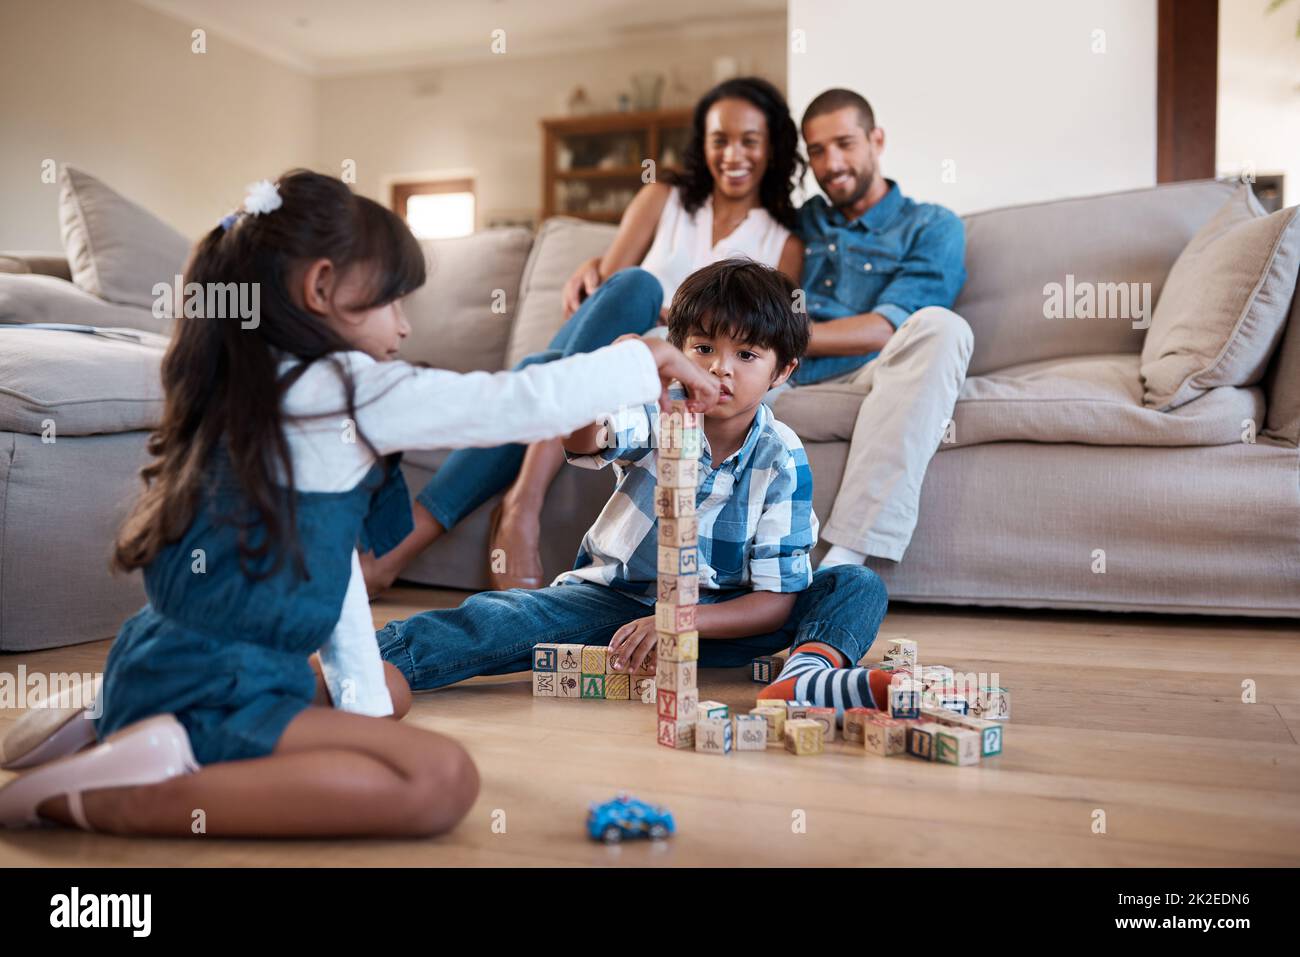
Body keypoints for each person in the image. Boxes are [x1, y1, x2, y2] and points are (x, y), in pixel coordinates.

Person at [0, 170, 718, 836]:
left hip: (163, 661)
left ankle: (113, 726)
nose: (405, 326)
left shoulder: (252, 387)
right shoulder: (344, 387)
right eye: (393, 301)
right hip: (224, 685)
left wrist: (365, 707)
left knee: (385, 695)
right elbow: (510, 404)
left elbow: (333, 572)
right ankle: (115, 797)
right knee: (441, 779)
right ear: (321, 288)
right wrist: (642, 361)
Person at [376, 259, 892, 719]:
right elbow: (584, 438)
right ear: (679, 352)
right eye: (705, 348)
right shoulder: (657, 409)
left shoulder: (782, 456)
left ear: (783, 370)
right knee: (502, 619)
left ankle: (805, 676)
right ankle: (368, 660)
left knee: (854, 584)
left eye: (747, 355)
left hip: (723, 625)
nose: (720, 368)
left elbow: (776, 603)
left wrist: (680, 619)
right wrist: (610, 375)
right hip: (615, 605)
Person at [362, 76, 806, 594]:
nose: (733, 153)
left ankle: (500, 511)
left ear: (772, 147)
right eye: (719, 139)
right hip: (620, 350)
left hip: (682, 364)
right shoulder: (662, 198)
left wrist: (686, 326)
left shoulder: (785, 236)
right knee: (636, 285)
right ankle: (519, 504)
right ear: (701, 144)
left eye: (749, 140)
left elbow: (771, 324)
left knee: (537, 369)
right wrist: (628, 302)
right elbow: (612, 291)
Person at [780, 88, 973, 569]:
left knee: (943, 329)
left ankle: (845, 559)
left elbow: (887, 329)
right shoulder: (798, 224)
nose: (832, 163)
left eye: (845, 143)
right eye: (818, 151)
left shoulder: (932, 225)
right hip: (777, 368)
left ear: (876, 139)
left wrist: (782, 336)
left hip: (876, 372)